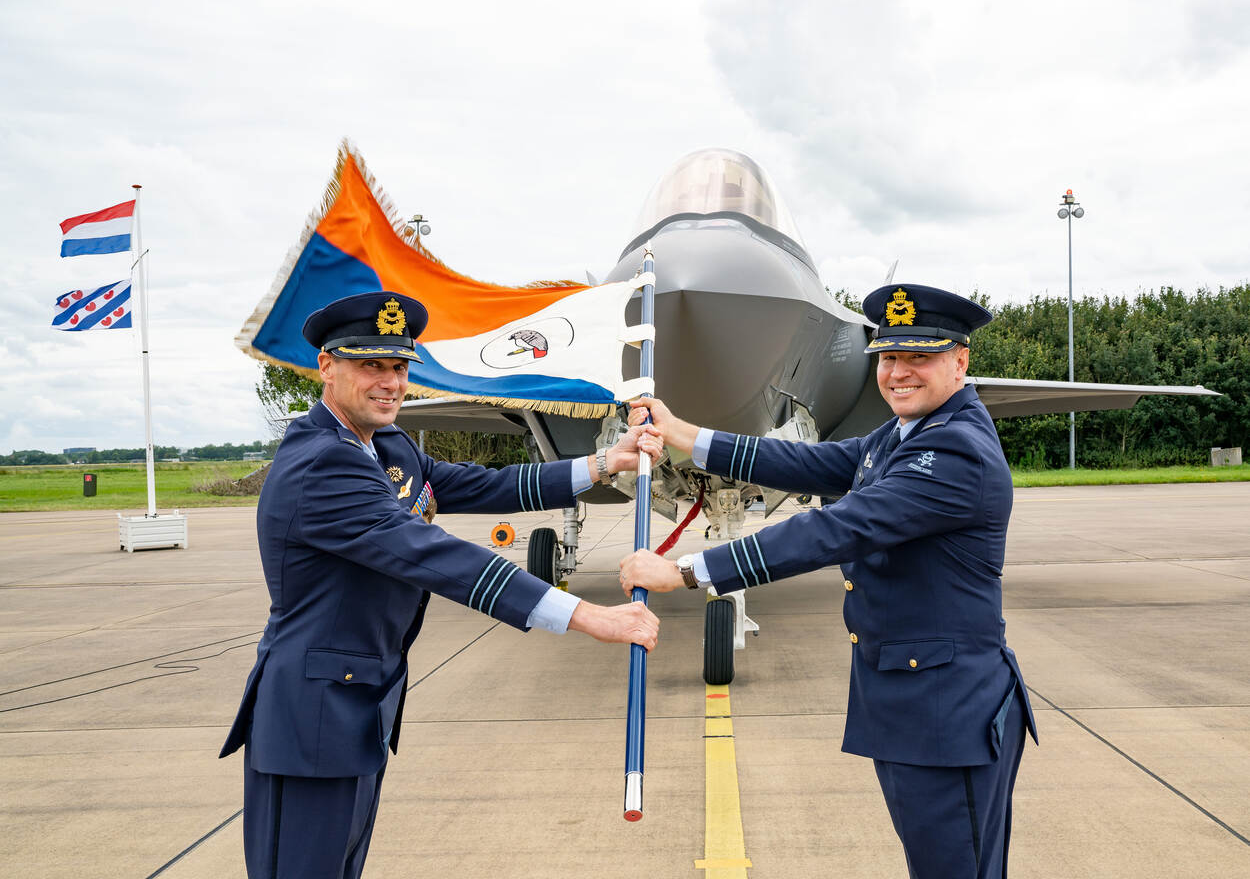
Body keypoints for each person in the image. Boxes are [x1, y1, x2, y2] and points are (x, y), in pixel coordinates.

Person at [220, 290, 662, 879]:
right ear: (327, 366)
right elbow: (436, 557)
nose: (391, 383)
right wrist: (589, 616)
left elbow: (487, 485)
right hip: (312, 719)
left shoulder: (386, 444)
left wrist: (607, 462)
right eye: (371, 365)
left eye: (399, 367)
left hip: (357, 706)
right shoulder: (321, 462)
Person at [620, 283, 1037, 879]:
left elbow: (837, 528)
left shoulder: (954, 451)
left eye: (918, 357)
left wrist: (687, 571)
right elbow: (809, 463)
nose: (898, 373)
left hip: (949, 714)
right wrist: (684, 433)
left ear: (960, 361)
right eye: (888, 358)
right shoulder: (904, 434)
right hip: (917, 706)